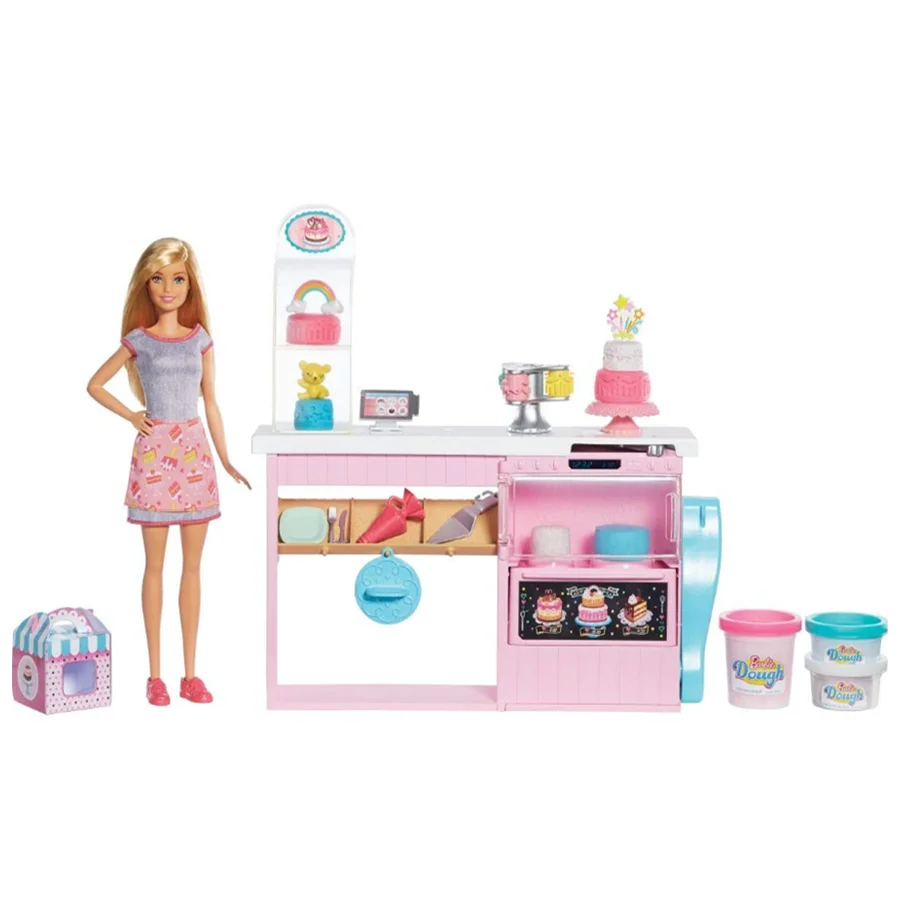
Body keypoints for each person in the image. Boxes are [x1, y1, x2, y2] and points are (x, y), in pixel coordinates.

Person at [87, 237, 250, 706]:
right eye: (158, 278)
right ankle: (155, 675)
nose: (168, 288)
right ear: (146, 284)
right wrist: (132, 415)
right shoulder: (139, 341)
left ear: (190, 285)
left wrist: (226, 458)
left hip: (195, 455)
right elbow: (95, 384)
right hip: (155, 455)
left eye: (178, 279)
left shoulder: (200, 339)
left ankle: (190, 675)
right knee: (155, 566)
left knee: (193, 568)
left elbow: (212, 402)